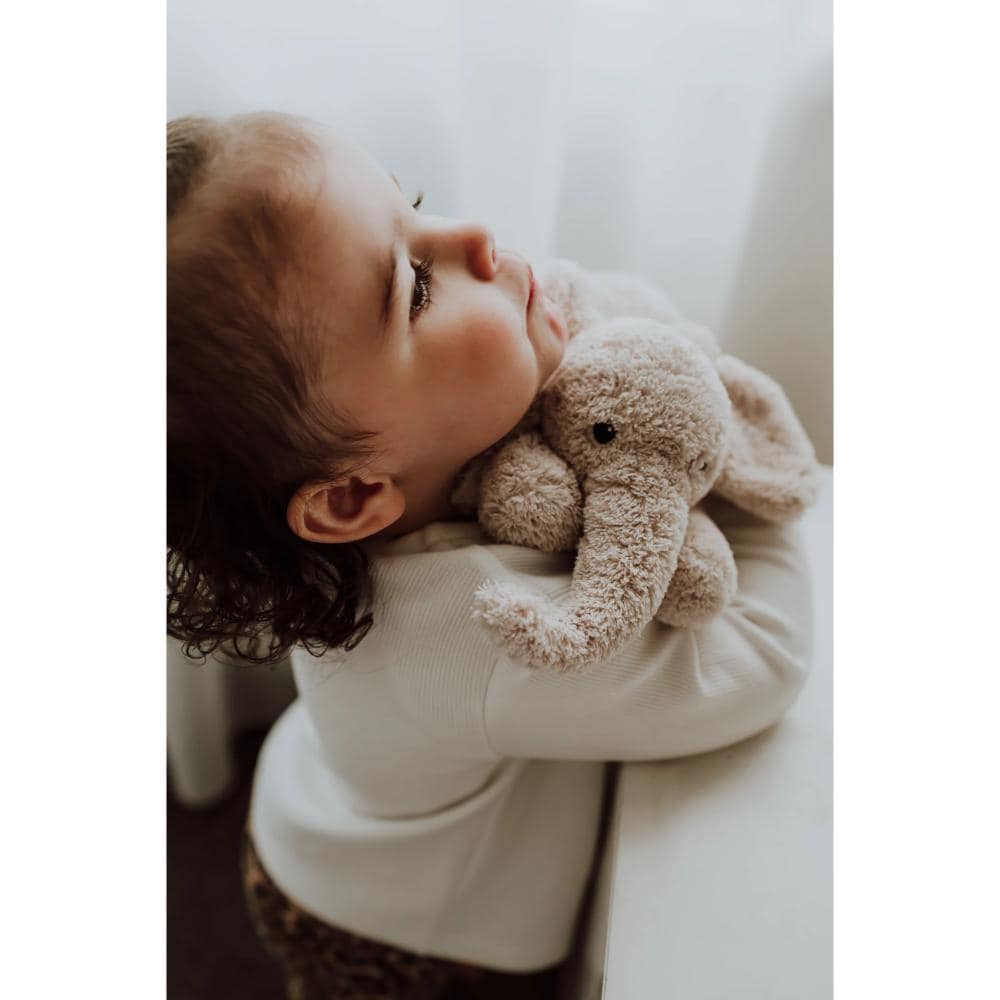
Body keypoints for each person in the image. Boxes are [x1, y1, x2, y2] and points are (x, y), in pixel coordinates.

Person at [167, 112, 813, 999]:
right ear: (350, 498)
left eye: (413, 204)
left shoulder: (427, 472)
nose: (473, 233)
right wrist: (727, 472)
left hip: (312, 818)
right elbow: (761, 661)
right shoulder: (489, 636)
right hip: (401, 930)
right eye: (415, 288)